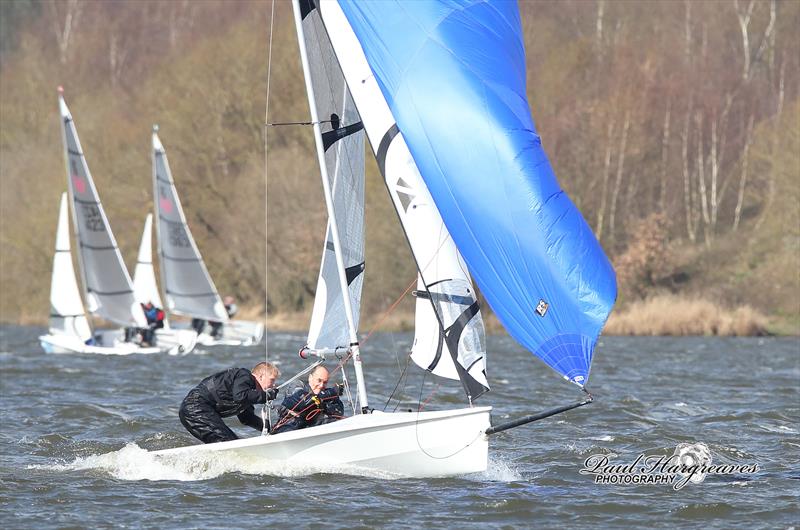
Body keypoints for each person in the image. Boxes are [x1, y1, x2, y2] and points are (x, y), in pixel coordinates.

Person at [179, 362, 280, 444]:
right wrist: (266, 396)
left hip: (196, 411)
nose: (274, 385)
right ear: (261, 376)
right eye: (272, 380)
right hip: (195, 407)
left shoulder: (246, 391)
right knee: (227, 442)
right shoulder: (244, 375)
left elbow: (247, 419)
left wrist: (272, 430)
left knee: (231, 441)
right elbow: (240, 396)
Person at [271, 365, 344, 435]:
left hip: (312, 429)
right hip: (290, 427)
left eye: (325, 382)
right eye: (319, 380)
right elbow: (305, 401)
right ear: (310, 378)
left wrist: (324, 405)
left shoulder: (328, 395)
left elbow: (339, 411)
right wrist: (332, 392)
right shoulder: (297, 386)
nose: (321, 385)